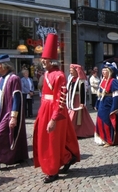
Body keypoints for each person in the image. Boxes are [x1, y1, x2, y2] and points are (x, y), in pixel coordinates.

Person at [33, 34, 80, 183]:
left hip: (54, 111)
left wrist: (54, 118)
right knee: (44, 138)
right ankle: (65, 158)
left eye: (45, 59)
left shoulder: (59, 76)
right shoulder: (46, 74)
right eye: (42, 59)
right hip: (45, 109)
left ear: (52, 60)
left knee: (51, 141)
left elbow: (60, 100)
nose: (43, 61)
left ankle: (52, 171)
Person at [0, 54, 28, 169]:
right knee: (4, 134)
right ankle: (18, 156)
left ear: (5, 66)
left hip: (10, 112)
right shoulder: (0, 79)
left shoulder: (14, 78)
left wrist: (14, 116)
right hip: (1, 112)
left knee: (0, 134)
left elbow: (17, 97)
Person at [94, 62, 118, 147]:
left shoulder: (113, 81)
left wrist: (114, 107)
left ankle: (110, 140)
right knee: (100, 120)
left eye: (105, 70)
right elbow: (99, 94)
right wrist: (97, 104)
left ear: (109, 72)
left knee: (108, 121)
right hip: (102, 104)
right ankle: (102, 138)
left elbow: (116, 96)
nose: (103, 72)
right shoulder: (103, 81)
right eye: (102, 70)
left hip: (109, 104)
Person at [66, 64, 95, 138]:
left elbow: (82, 91)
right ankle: (74, 131)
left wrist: (82, 102)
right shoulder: (71, 79)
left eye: (71, 70)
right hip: (72, 99)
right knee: (74, 114)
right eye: (70, 70)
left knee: (76, 115)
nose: (70, 72)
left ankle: (73, 132)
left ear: (76, 71)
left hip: (78, 99)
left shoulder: (81, 80)